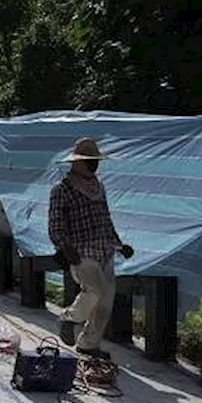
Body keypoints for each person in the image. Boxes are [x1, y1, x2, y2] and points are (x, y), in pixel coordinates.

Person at [47, 137, 134, 358]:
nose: (94, 164)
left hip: (104, 249)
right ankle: (69, 318)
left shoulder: (98, 187)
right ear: (77, 163)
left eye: (95, 160)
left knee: (106, 300)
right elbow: (55, 224)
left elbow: (105, 219)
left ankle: (88, 343)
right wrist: (64, 247)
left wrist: (119, 245)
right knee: (95, 290)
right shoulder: (62, 190)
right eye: (89, 160)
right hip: (81, 251)